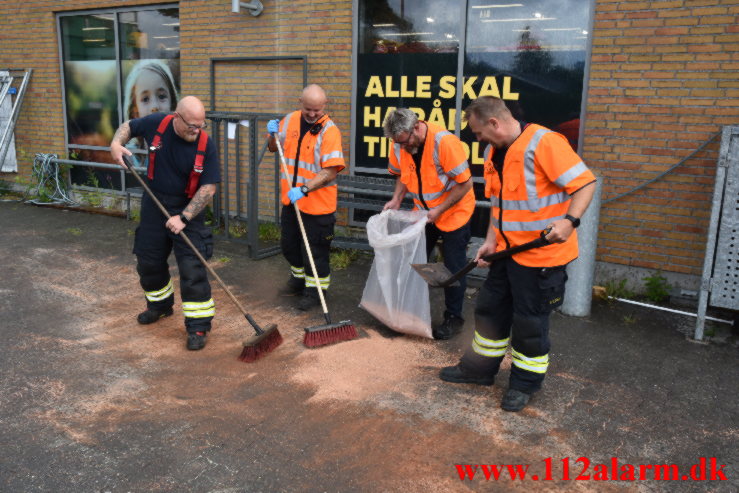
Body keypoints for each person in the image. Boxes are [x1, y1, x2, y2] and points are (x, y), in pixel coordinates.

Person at [440, 96, 596, 412]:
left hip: (541, 257)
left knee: (529, 324)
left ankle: (524, 384)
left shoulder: (544, 142)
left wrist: (570, 221)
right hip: (507, 252)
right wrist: (490, 241)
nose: (478, 139)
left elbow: (585, 184)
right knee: (489, 311)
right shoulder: (492, 151)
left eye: (479, 132)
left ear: (494, 122)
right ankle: (478, 370)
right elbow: (498, 204)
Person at [110, 96, 220, 351]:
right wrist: (116, 144)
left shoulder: (206, 144)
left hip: (188, 209)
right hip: (154, 203)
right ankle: (159, 306)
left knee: (192, 268)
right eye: (192, 125)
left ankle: (199, 326)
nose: (197, 130)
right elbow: (129, 126)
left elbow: (209, 188)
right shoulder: (157, 123)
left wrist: (183, 218)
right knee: (148, 260)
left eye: (201, 125)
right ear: (177, 117)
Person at [382, 108, 475, 340]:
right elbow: (402, 174)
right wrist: (397, 199)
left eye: (405, 142)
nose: (402, 147)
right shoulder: (398, 143)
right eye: (397, 143)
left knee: (454, 268)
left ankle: (454, 318)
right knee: (415, 261)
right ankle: (410, 312)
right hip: (423, 213)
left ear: (416, 128)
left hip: (454, 212)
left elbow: (465, 184)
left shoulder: (444, 142)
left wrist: (439, 210)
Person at [266, 84, 345, 311]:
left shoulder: (330, 132)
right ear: (301, 101)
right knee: (289, 246)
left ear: (325, 106)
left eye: (317, 110)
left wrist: (304, 188)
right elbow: (273, 148)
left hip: (318, 205)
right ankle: (298, 280)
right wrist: (272, 135)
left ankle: (315, 291)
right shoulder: (289, 120)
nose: (312, 114)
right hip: (291, 202)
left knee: (316, 253)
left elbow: (330, 171)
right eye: (308, 109)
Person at [122, 60, 179, 167]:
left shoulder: (182, 149)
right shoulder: (130, 157)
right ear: (135, 111)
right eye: (145, 99)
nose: (154, 107)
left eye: (161, 96)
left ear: (173, 104)